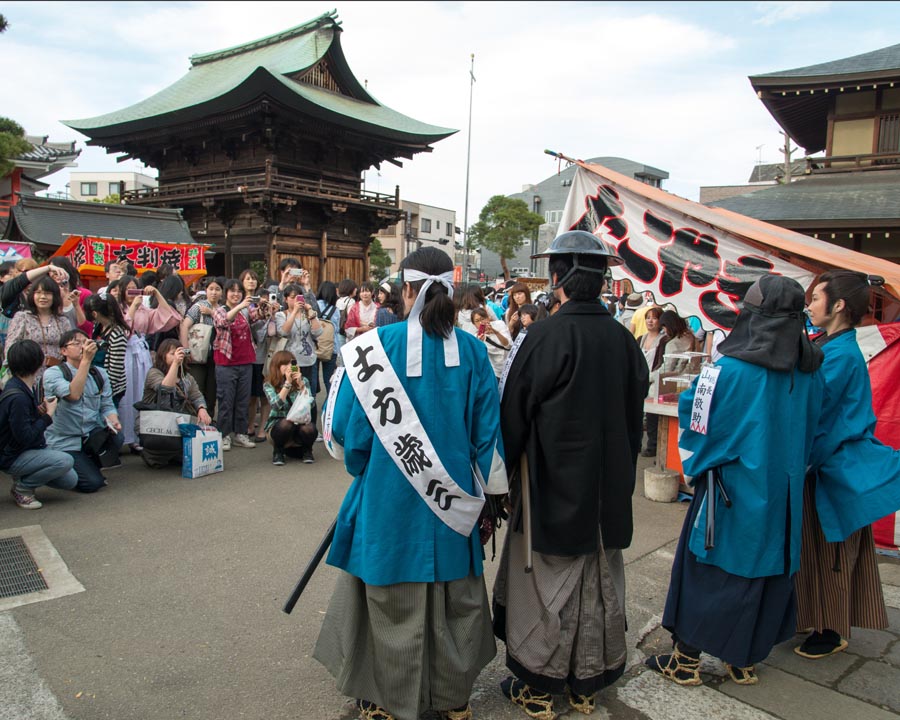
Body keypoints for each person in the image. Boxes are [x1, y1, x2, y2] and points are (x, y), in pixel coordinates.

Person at [314, 246, 508, 720]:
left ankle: (386, 700)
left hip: (389, 497)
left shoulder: (374, 349)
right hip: (453, 500)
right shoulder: (474, 352)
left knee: (388, 597)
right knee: (455, 601)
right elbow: (489, 441)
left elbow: (348, 435)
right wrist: (493, 497)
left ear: (404, 290)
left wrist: (365, 466)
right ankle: (454, 700)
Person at [495, 230, 648, 718]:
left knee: (547, 589)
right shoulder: (626, 341)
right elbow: (634, 420)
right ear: (602, 282)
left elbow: (511, 414)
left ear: (556, 278)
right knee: (601, 586)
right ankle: (587, 685)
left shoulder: (540, 336)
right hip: (609, 487)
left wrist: (501, 482)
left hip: (550, 487)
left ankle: (540, 686)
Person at [645, 274, 824, 687]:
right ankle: (743, 659)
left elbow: (695, 417)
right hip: (784, 495)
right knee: (766, 576)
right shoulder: (811, 369)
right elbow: (813, 430)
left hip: (731, 493)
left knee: (707, 572)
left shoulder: (726, 369)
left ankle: (686, 661)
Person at [794, 270, 899, 658]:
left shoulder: (839, 355)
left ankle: (832, 627)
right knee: (820, 549)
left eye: (815, 298)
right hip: (826, 467)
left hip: (835, 469)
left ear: (838, 306)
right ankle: (818, 617)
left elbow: (817, 415)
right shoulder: (831, 345)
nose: (809, 305)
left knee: (833, 553)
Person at [43, 329, 124, 493]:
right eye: (76, 343)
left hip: (88, 435)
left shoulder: (99, 373)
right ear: (63, 351)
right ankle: (53, 469)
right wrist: (86, 361)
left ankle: (87, 464)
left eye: (85, 342)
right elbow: (73, 394)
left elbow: (107, 404)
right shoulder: (54, 373)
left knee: (117, 437)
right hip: (64, 441)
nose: (83, 346)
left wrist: (113, 419)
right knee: (92, 484)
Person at [0, 339, 77, 509]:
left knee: (70, 479)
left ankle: (23, 478)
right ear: (37, 363)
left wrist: (39, 410)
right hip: (12, 456)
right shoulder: (18, 396)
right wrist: (48, 415)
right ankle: (22, 489)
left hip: (22, 450)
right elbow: (25, 436)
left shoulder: (23, 386)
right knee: (64, 461)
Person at [141, 339, 213, 468]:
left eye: (179, 353)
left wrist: (202, 409)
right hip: (156, 423)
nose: (177, 356)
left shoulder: (186, 377)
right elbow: (165, 389)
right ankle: (154, 453)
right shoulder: (154, 373)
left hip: (177, 421)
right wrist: (175, 363)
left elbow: (196, 395)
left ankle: (175, 452)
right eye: (172, 353)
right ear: (162, 355)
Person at [213, 279, 264, 451]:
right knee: (226, 401)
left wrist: (265, 306)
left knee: (243, 400)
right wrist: (241, 306)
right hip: (226, 362)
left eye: (238, 291)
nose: (236, 294)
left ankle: (240, 433)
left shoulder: (245, 312)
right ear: (225, 294)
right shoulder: (220, 310)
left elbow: (259, 316)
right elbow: (223, 322)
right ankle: (224, 434)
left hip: (246, 361)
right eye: (232, 291)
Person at [5, 275, 75, 374]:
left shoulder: (63, 320)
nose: (42, 297)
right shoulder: (22, 318)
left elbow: (70, 348)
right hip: (27, 374)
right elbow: (10, 347)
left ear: (55, 296)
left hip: (57, 374)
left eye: (47, 293)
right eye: (38, 293)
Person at [262, 349, 317, 465]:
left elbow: (311, 405)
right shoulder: (269, 384)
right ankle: (278, 451)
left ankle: (307, 450)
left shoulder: (303, 381)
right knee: (285, 424)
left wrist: (301, 387)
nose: (288, 367)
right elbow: (276, 405)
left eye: (291, 364)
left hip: (299, 424)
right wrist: (287, 384)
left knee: (310, 428)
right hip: (278, 427)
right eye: (284, 364)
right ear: (277, 366)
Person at [274, 283, 323, 411]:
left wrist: (311, 313)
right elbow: (284, 332)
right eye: (292, 297)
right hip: (291, 361)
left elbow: (318, 332)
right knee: (293, 394)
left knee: (309, 394)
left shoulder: (308, 314)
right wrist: (294, 311)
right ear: (285, 299)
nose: (296, 300)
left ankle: (310, 426)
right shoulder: (281, 315)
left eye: (299, 297)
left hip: (309, 360)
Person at [180, 275, 223, 414]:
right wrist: (186, 351)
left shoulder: (224, 309)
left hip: (216, 356)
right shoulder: (199, 307)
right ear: (206, 290)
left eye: (217, 289)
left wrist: (213, 312)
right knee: (197, 390)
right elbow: (184, 326)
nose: (214, 292)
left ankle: (209, 424)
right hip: (197, 356)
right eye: (211, 289)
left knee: (212, 392)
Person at [240, 269, 271, 443]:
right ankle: (250, 425)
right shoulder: (242, 304)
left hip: (265, 355)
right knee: (250, 395)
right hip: (247, 355)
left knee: (264, 394)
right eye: (247, 279)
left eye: (253, 278)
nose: (251, 281)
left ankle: (263, 427)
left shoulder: (265, 304)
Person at [84, 293, 129, 406]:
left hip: (109, 387)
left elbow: (115, 370)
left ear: (94, 313)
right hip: (95, 382)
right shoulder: (98, 327)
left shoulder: (117, 334)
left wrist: (104, 392)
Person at [638, 306, 664, 457]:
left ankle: (652, 445)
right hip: (641, 379)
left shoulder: (664, 340)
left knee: (652, 416)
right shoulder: (641, 338)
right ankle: (637, 444)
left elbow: (662, 362)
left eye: (654, 318)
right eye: (648, 317)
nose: (650, 321)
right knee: (638, 414)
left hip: (654, 381)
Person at [469, 306, 512, 379]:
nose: (481, 323)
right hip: (496, 372)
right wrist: (479, 343)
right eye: (477, 321)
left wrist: (495, 332)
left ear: (488, 318)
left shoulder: (499, 324)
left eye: (483, 319)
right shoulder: (476, 338)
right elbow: (478, 358)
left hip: (511, 365)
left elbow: (508, 345)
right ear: (474, 324)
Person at [316, 281, 341, 394]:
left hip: (315, 346)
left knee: (312, 380)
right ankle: (328, 407)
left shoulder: (314, 305)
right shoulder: (335, 310)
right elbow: (336, 330)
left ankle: (312, 408)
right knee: (329, 380)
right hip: (332, 347)